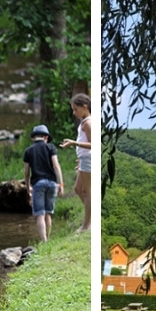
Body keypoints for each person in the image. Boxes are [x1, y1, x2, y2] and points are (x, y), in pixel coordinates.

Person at [23, 125, 65, 242]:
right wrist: (61, 184)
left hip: (38, 183)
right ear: (46, 137)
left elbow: (26, 172)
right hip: (52, 183)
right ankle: (49, 238)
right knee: (48, 213)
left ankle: (44, 241)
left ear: (33, 138)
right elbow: (56, 166)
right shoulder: (51, 148)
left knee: (40, 214)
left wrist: (27, 187)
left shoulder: (28, 151)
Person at [59, 93, 92, 232]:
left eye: (75, 109)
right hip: (84, 159)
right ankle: (91, 217)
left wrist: (74, 143)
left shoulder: (88, 123)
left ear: (84, 107)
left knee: (88, 191)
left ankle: (86, 225)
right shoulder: (84, 122)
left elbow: (93, 144)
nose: (74, 113)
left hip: (88, 160)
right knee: (78, 189)